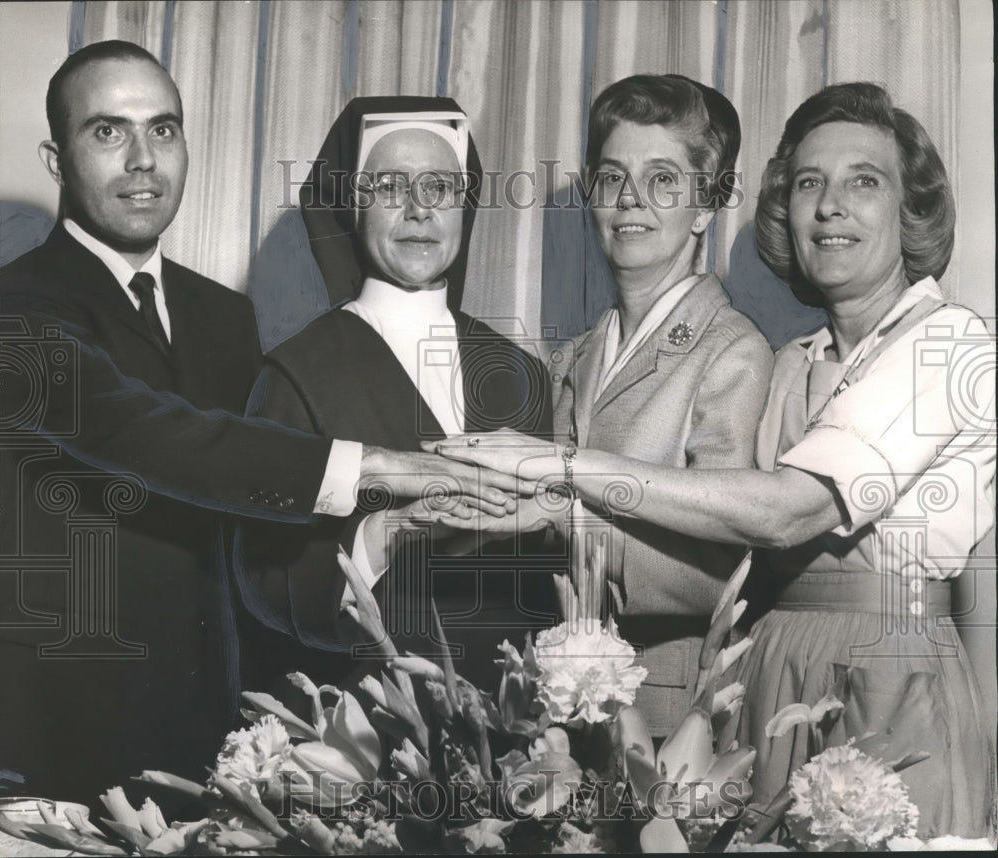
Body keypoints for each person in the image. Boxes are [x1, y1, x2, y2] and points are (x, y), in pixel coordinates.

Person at [429, 82, 996, 838]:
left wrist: (565, 474)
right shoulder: (793, 360)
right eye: (808, 183)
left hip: (889, 672)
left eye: (864, 182)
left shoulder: (949, 341)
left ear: (911, 209)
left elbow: (786, 512)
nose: (830, 207)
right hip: (770, 673)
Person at [0, 42, 514, 808]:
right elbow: (145, 433)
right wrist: (381, 465)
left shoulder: (222, 315)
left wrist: (388, 537)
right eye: (107, 131)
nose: (143, 159)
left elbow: (248, 539)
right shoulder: (14, 308)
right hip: (53, 749)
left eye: (163, 129)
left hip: (213, 743)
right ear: (55, 158)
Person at [411, 75, 773, 738]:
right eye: (611, 177)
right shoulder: (571, 358)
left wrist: (565, 517)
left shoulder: (733, 352)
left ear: (705, 204)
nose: (630, 199)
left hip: (669, 711)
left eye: (662, 179)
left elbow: (723, 573)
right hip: (559, 706)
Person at [235, 96, 556, 690]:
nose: (418, 209)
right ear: (353, 205)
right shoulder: (294, 372)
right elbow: (261, 574)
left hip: (514, 714)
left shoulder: (522, 372)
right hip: (367, 706)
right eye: (389, 187)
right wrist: (385, 535)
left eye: (439, 186)